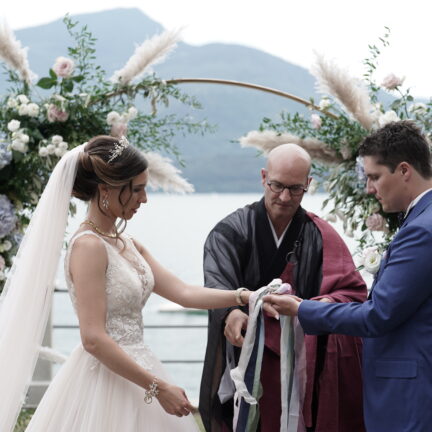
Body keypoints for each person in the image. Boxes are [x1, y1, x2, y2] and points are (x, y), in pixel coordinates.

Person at [0, 135, 257, 432]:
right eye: (137, 189)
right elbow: (93, 338)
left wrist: (245, 296)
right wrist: (157, 389)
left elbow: (184, 293)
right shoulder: (88, 247)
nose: (144, 199)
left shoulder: (128, 243)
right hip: (103, 382)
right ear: (105, 189)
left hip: (140, 371)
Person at [263, 121, 432, 432]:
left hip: (410, 396)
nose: (369, 188)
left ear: (405, 170)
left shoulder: (422, 231)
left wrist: (301, 308)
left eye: (374, 177)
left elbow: (378, 315)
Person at [199, 143, 367, 431]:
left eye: (295, 188)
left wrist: (310, 308)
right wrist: (230, 312)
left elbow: (352, 292)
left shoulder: (320, 234)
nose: (285, 196)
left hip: (304, 360)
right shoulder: (230, 231)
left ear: (308, 185)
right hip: (247, 353)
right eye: (276, 186)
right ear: (264, 177)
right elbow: (217, 280)